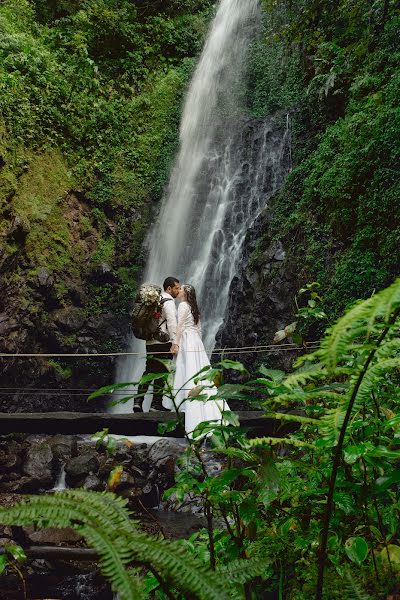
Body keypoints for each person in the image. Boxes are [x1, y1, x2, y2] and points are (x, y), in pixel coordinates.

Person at [167, 284, 229, 437]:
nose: (178, 291)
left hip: (187, 339)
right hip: (196, 341)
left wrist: (176, 343)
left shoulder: (182, 305)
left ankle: (186, 402)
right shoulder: (194, 308)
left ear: (186, 293)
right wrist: (199, 345)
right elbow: (199, 329)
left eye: (180, 289)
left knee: (186, 369)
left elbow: (180, 326)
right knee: (199, 370)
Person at [134, 276, 180, 412]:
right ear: (169, 288)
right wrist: (175, 342)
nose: (178, 291)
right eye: (176, 288)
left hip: (149, 341)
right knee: (162, 371)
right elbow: (172, 322)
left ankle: (138, 401)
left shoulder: (153, 301)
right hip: (163, 341)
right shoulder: (169, 302)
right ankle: (156, 404)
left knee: (149, 370)